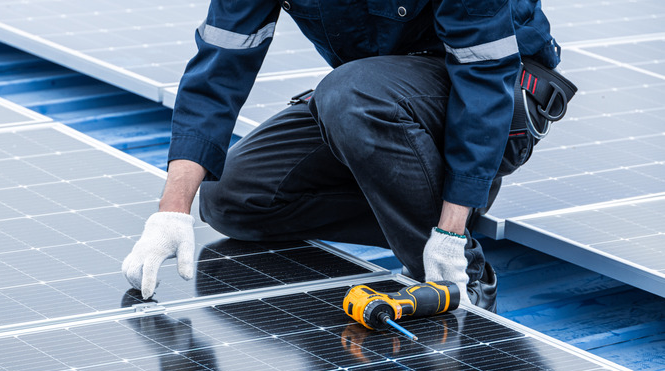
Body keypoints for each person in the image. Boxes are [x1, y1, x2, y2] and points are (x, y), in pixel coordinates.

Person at [122, 0, 565, 310]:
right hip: (375, 99)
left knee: (348, 95)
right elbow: (219, 67)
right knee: (231, 198)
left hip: (497, 103)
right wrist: (171, 212)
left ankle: (459, 276)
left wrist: (450, 230)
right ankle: (423, 199)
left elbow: (484, 77)